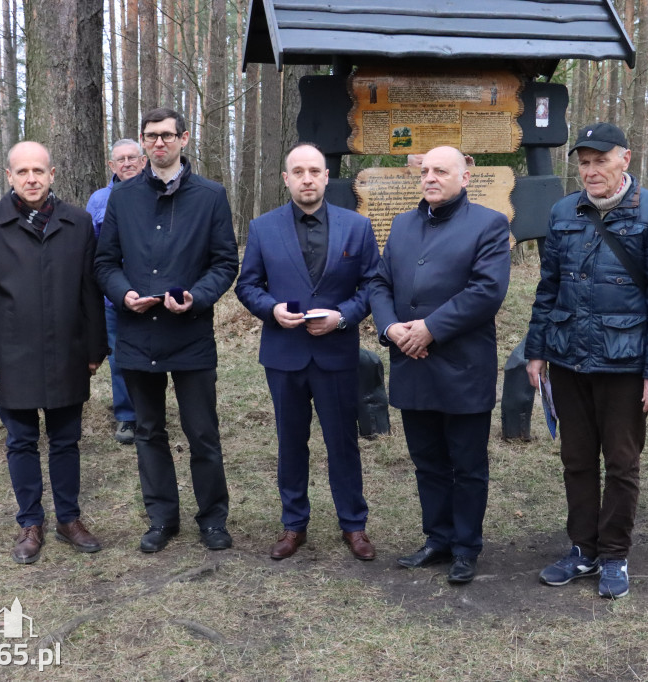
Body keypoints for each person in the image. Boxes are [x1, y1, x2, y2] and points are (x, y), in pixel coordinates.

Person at [525, 122, 648, 599]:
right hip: (569, 357)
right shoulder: (562, 211)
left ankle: (614, 554)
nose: (591, 171)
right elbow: (548, 287)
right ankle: (582, 549)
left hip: (626, 363)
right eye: (584, 163)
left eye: (600, 161)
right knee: (576, 459)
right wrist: (536, 350)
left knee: (620, 462)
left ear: (625, 160)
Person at [94, 107, 238, 553]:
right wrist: (123, 294)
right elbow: (105, 263)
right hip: (138, 334)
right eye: (151, 137)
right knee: (148, 431)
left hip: (190, 332)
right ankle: (161, 518)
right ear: (142, 141)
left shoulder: (210, 195)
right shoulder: (123, 198)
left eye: (167, 136)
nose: (159, 143)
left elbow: (225, 262)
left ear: (184, 139)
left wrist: (197, 295)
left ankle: (213, 519)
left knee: (202, 432)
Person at [0, 141, 107, 564]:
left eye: (38, 171)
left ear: (53, 174)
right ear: (8, 176)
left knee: (66, 441)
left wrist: (95, 347)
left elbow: (89, 293)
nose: (31, 179)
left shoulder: (77, 223)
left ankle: (69, 519)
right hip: (11, 356)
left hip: (68, 351)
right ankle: (30, 523)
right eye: (22, 171)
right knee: (21, 441)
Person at [370, 145, 511, 584]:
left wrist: (429, 328)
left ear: (464, 177)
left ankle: (467, 546)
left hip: (462, 364)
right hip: (411, 363)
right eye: (425, 170)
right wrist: (392, 329)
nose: (430, 177)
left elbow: (486, 291)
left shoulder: (488, 225)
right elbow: (379, 282)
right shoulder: (402, 224)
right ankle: (438, 537)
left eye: (441, 171)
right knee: (427, 460)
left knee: (467, 463)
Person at [236, 143, 380, 561]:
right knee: (290, 442)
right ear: (286, 179)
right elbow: (248, 285)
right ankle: (293, 524)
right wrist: (271, 309)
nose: (307, 178)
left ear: (326, 176)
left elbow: (372, 285)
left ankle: (354, 524)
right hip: (284, 354)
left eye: (314, 171)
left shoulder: (356, 227)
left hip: (336, 352)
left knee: (342, 442)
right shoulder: (263, 227)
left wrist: (343, 317)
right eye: (297, 171)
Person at [86, 139, 147, 446]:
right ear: (111, 166)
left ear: (144, 161)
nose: (127, 163)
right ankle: (126, 416)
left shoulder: (158, 193)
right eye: (120, 159)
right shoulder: (98, 200)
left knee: (153, 355)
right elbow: (92, 252)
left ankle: (151, 411)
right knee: (119, 357)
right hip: (113, 297)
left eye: (132, 158)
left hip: (154, 295)